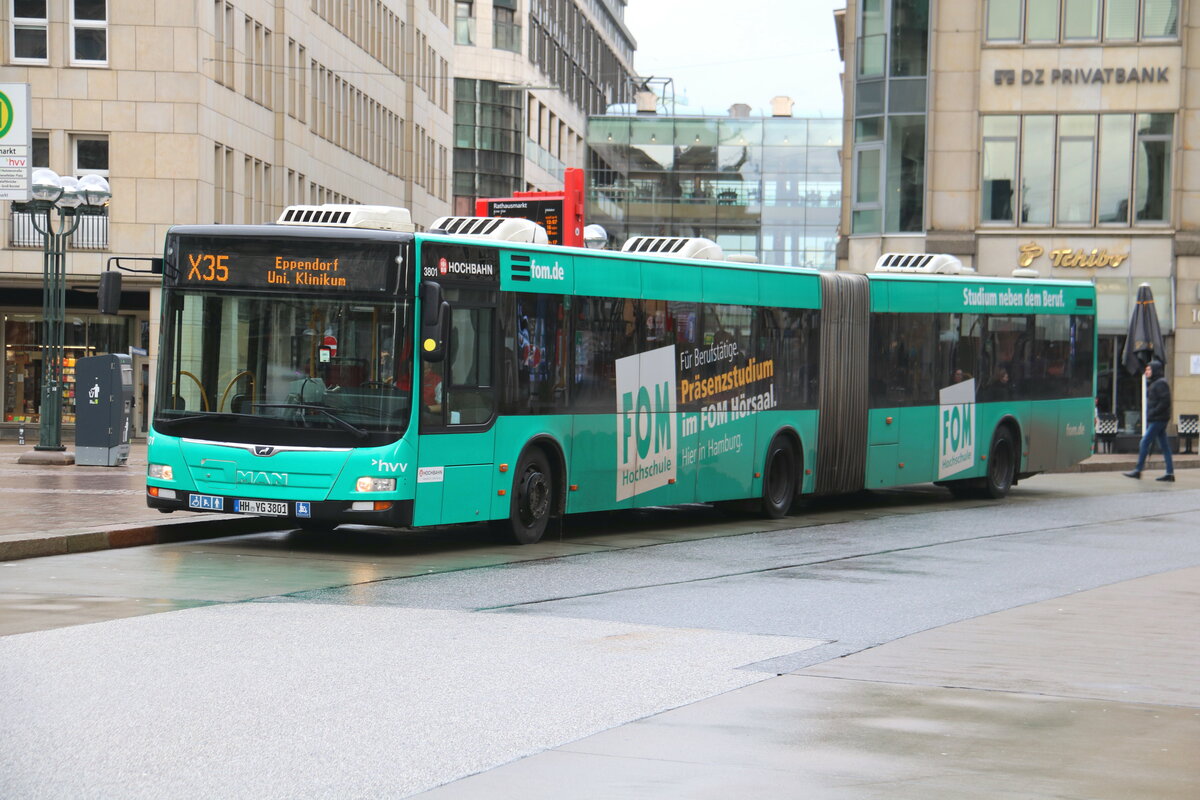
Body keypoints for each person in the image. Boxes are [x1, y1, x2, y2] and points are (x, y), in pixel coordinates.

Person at [1123, 359, 1174, 482]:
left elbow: (1165, 401)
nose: (1146, 372)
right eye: (1146, 369)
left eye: (1149, 369)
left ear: (1155, 370)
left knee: (1144, 442)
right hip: (1158, 419)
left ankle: (1138, 470)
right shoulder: (1156, 382)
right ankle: (1170, 473)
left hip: (1158, 419)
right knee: (1165, 446)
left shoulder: (1160, 383)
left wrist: (1153, 412)